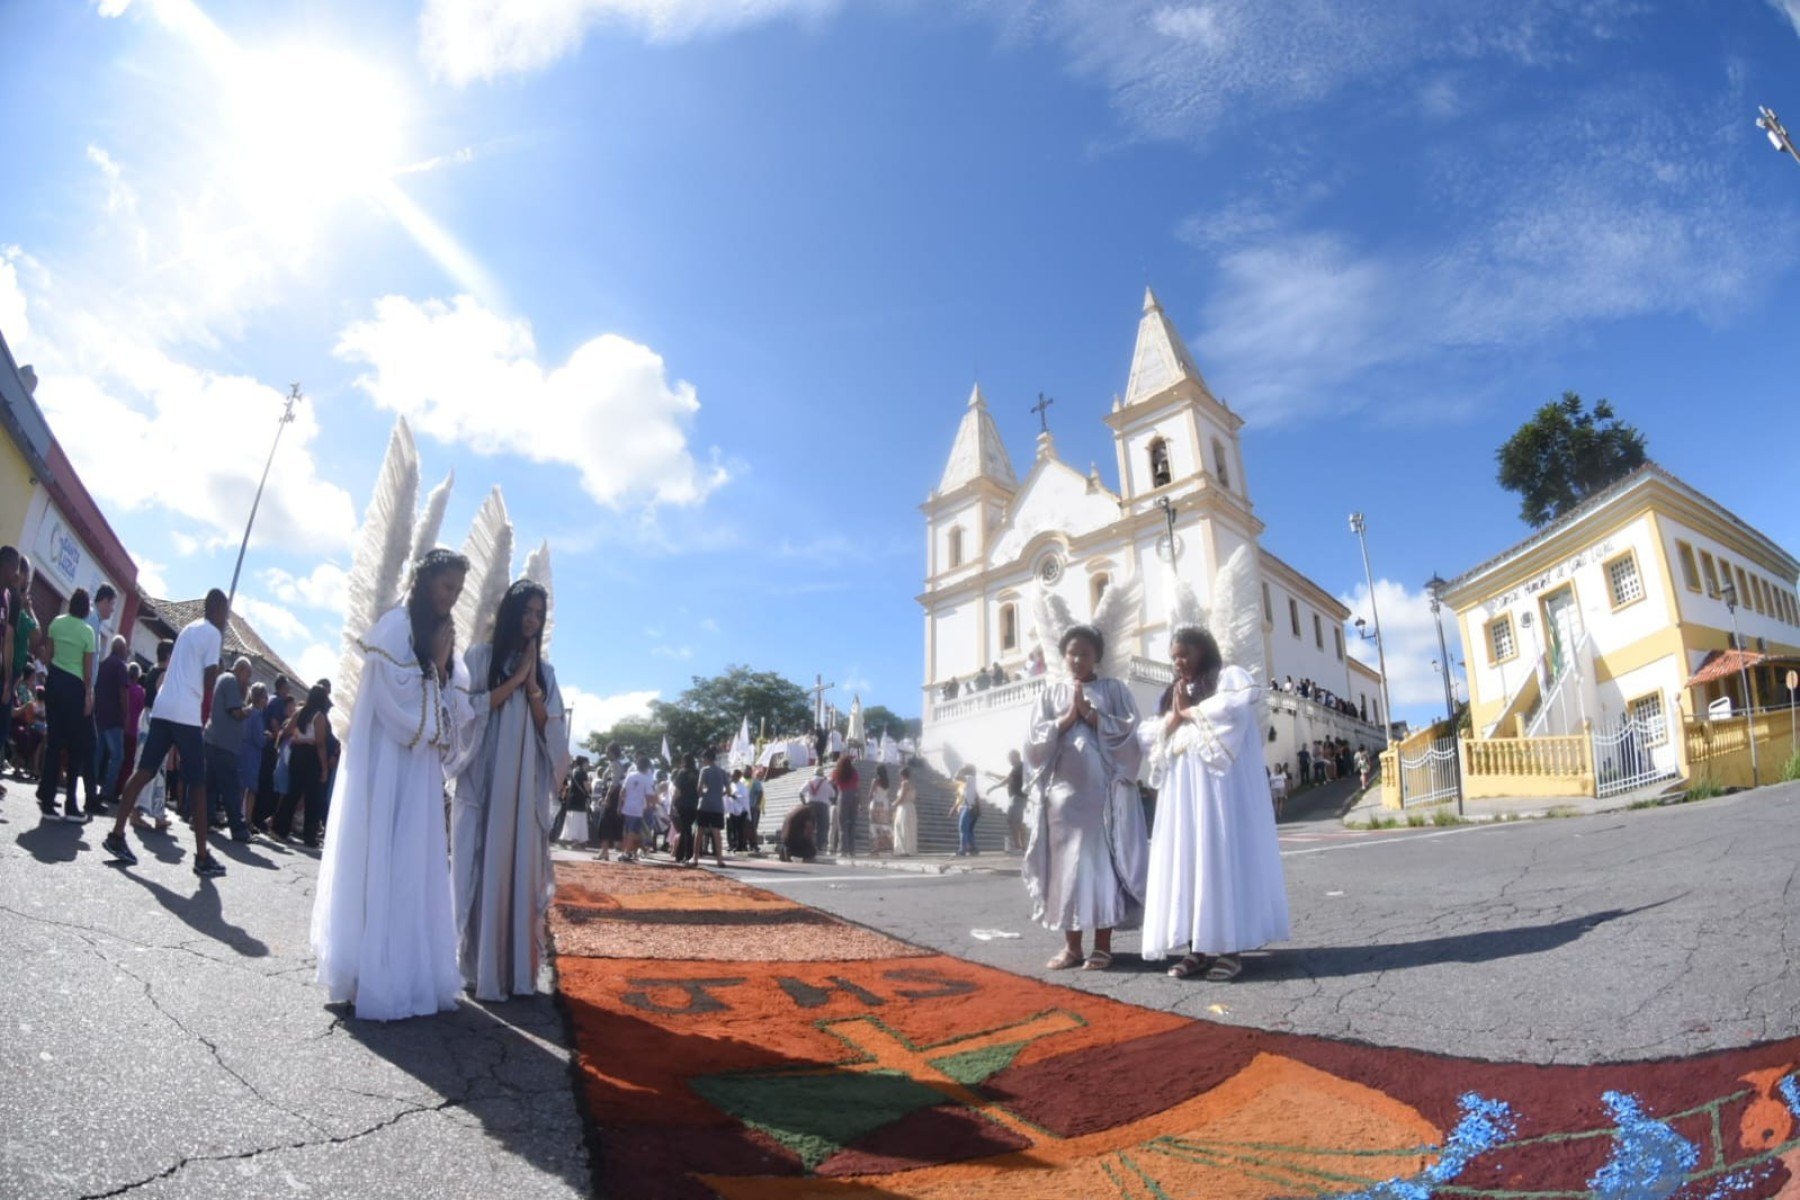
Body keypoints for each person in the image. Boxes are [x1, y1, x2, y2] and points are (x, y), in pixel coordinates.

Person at [310, 549, 477, 1021]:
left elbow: (449, 714)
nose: (451, 599)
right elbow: (396, 705)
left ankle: (404, 971)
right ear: (425, 583)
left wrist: (443, 666)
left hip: (419, 773)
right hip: (387, 768)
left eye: (458, 591)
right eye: (446, 587)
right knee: (380, 858)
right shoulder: (392, 628)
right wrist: (434, 665)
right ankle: (368, 974)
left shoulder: (443, 637)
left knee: (412, 864)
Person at [1140, 626, 1289, 983]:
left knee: (1217, 861)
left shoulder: (1226, 678)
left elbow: (1234, 713)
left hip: (1216, 795)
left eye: (1185, 654)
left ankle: (1230, 950)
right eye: (1174, 656)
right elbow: (1150, 736)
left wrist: (1190, 712)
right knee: (1188, 863)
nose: (1179, 662)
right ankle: (1197, 949)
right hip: (1182, 798)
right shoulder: (1172, 693)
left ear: (1203, 651)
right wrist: (1175, 717)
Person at [452, 578, 570, 1002]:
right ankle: (476, 966)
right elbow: (466, 712)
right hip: (486, 784)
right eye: (526, 611)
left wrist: (533, 685)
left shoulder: (548, 674)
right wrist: (516, 676)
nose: (531, 620)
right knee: (482, 867)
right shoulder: (481, 657)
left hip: (524, 791)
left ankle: (518, 969)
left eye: (539, 614)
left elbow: (552, 735)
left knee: (520, 867)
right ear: (510, 612)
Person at [1022, 624, 1146, 972]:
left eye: (1085, 653)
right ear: (1063, 655)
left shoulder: (1113, 690)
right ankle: (1072, 946)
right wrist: (1066, 719)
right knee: (1066, 871)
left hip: (1101, 797)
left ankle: (1103, 945)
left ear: (1097, 657)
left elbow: (1130, 733)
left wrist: (1091, 717)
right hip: (1062, 799)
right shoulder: (1049, 696)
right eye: (1071, 653)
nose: (1077, 659)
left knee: (1099, 866)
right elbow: (1032, 746)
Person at [102, 589, 228, 876]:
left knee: (143, 771)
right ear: (217, 610)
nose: (226, 619)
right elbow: (209, 682)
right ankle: (201, 856)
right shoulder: (213, 634)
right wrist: (217, 670)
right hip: (185, 713)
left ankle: (116, 834)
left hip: (163, 707)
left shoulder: (188, 629)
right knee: (198, 784)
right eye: (225, 613)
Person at [37, 589, 99, 822]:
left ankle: (47, 799)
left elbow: (48, 656)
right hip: (74, 688)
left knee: (54, 744)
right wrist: (88, 696)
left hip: (55, 683)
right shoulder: (87, 632)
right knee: (76, 747)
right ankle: (71, 805)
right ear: (86, 609)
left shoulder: (56, 623)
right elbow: (88, 670)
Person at [198, 656, 258, 844]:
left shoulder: (223, 679)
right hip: (222, 745)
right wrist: (251, 708)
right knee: (231, 788)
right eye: (247, 675)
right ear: (240, 670)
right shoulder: (230, 681)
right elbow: (236, 712)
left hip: (214, 741)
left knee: (211, 785)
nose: (247, 681)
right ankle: (239, 830)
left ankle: (203, 820)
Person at [272, 683, 333, 847]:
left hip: (297, 755)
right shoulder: (319, 716)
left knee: (293, 793)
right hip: (311, 756)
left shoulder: (300, 712)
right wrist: (325, 768)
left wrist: (290, 740)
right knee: (314, 797)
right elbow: (320, 743)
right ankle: (310, 836)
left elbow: (288, 729)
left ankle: (279, 829)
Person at [254, 675, 293, 829]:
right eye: (287, 687)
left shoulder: (270, 699)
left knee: (262, 782)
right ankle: (259, 818)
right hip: (270, 746)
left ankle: (256, 817)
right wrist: (279, 740)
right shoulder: (277, 702)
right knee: (266, 785)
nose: (289, 690)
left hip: (265, 745)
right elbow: (275, 723)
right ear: (282, 687)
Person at [238, 681, 268, 832]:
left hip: (242, 750)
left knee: (241, 787)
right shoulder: (257, 714)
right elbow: (259, 740)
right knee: (251, 789)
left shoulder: (246, 711)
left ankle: (236, 816)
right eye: (264, 697)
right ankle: (247, 820)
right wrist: (266, 737)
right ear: (260, 698)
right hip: (252, 754)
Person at [694, 747, 729, 867]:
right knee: (717, 833)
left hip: (704, 804)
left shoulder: (704, 770)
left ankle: (695, 858)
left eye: (703, 758)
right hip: (718, 805)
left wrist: (703, 794)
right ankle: (719, 859)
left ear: (707, 758)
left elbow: (699, 789)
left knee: (699, 832)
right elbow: (728, 790)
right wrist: (719, 794)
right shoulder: (722, 771)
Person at [592, 741, 625, 861]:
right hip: (610, 795)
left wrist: (608, 797)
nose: (606, 753)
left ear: (613, 752)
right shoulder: (613, 764)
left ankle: (608, 851)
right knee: (607, 823)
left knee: (606, 823)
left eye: (607, 751)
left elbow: (614, 782)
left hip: (612, 797)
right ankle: (605, 851)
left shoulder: (615, 764)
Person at [617, 754, 654, 864]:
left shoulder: (630, 775)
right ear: (647, 767)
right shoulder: (647, 779)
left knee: (630, 830)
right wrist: (648, 806)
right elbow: (649, 796)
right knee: (633, 831)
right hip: (638, 808)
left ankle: (636, 850)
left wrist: (619, 805)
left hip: (627, 807)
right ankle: (627, 852)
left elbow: (622, 792)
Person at [988, 749, 1026, 854]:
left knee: (1011, 820)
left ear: (1015, 757)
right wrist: (992, 774)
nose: (1009, 761)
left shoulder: (1019, 767)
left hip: (1017, 797)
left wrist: (993, 788)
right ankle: (1022, 847)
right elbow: (1007, 777)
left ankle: (1018, 847)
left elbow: (1007, 779)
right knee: (1018, 822)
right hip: (1019, 798)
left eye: (1010, 758)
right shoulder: (1019, 767)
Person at [670, 753, 699, 863]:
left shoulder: (681, 773)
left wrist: (672, 803)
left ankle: (686, 854)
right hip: (694, 804)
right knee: (687, 829)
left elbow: (677, 791)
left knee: (685, 829)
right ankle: (681, 854)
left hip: (683, 804)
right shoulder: (697, 773)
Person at [801, 766, 835, 857]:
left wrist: (804, 803)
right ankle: (820, 846)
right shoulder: (826, 783)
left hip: (811, 805)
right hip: (823, 806)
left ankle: (809, 844)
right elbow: (833, 794)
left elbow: (801, 792)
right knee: (823, 827)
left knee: (810, 826)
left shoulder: (809, 781)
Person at [832, 753, 861, 859]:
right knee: (852, 823)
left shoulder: (837, 772)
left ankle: (843, 849)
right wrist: (860, 802)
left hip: (843, 795)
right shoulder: (854, 773)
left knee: (842, 823)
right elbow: (858, 787)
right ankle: (852, 850)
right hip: (854, 796)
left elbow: (833, 782)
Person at [891, 765, 918, 856]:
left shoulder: (904, 783)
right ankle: (908, 849)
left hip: (904, 808)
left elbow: (901, 797)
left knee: (902, 827)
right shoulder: (911, 784)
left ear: (902, 775)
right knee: (908, 828)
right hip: (910, 807)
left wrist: (893, 804)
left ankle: (903, 850)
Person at [952, 768, 979, 856]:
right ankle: (972, 848)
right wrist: (954, 807)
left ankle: (962, 849)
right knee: (967, 829)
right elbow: (962, 797)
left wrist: (959, 772)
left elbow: (959, 778)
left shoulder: (970, 778)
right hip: (965, 806)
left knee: (963, 828)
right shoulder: (966, 785)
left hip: (968, 807)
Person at [868, 764, 892, 854]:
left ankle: (876, 847)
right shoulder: (887, 782)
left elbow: (870, 794)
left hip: (876, 804)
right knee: (882, 826)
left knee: (874, 826)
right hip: (884, 805)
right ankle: (881, 845)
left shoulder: (875, 781)